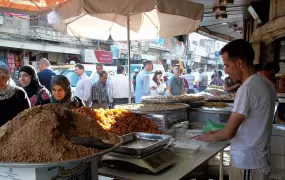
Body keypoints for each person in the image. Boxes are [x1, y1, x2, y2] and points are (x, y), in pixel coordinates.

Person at [195, 39, 276, 180]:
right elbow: (246, 125)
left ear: (239, 63)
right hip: (257, 160)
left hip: (247, 164)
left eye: (227, 65)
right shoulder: (266, 84)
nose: (225, 70)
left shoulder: (247, 89)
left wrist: (202, 138)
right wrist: (218, 131)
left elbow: (229, 133)